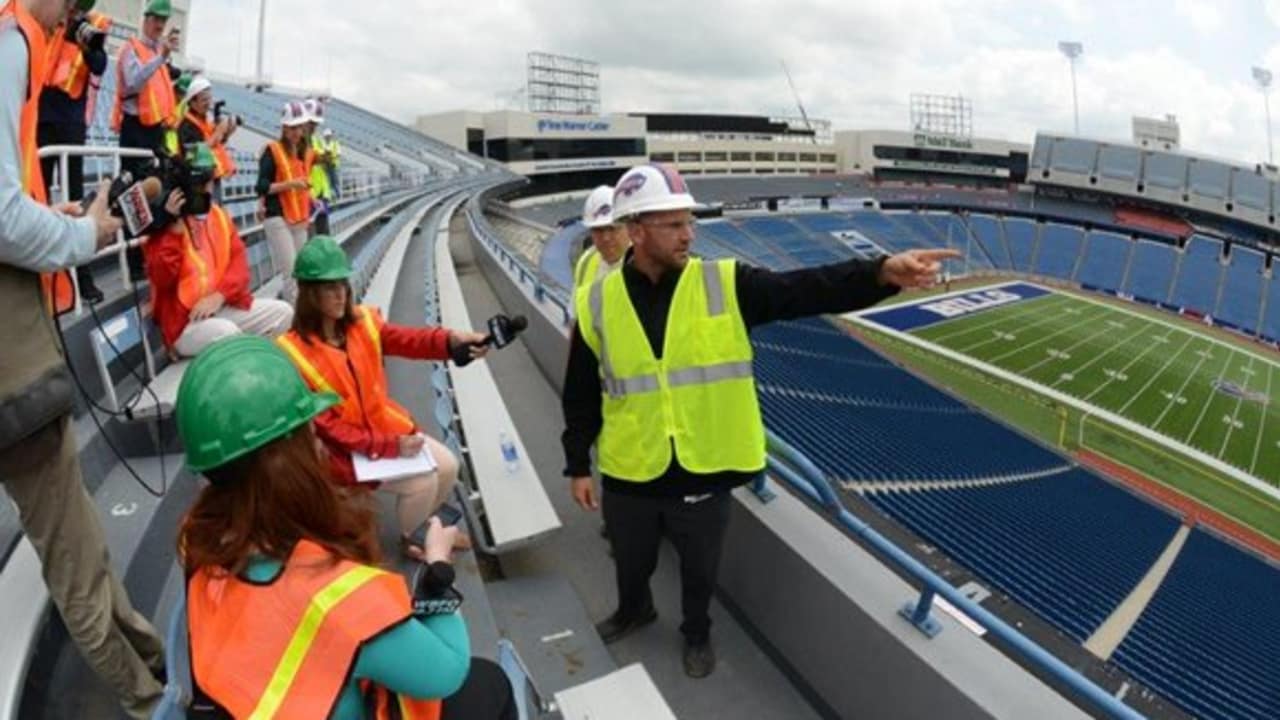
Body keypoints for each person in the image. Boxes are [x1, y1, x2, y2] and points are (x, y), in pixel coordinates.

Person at [561, 163, 958, 678]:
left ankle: (697, 633)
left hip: (705, 466)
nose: (689, 234)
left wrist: (878, 273)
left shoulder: (725, 282)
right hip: (630, 465)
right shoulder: (598, 299)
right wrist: (576, 462)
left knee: (700, 572)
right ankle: (634, 609)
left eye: (689, 222)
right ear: (636, 229)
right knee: (631, 560)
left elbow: (805, 289)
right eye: (674, 224)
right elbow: (580, 390)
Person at [175, 335, 517, 719]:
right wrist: (438, 569)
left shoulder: (196, 539)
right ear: (290, 459)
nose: (320, 443)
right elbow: (447, 673)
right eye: (310, 429)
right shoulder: (339, 598)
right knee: (489, 683)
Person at [0, 1, 165, 718]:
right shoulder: (9, 45)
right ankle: (147, 694)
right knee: (74, 552)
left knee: (78, 543)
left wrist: (54, 218)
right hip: (10, 367)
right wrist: (87, 234)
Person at [277, 236, 487, 558]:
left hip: (379, 434)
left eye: (342, 284)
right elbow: (329, 428)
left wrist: (453, 341)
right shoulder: (294, 353)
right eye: (328, 287)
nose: (340, 294)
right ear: (308, 293)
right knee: (423, 481)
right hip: (341, 455)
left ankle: (422, 528)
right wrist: (391, 448)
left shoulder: (362, 325)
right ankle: (414, 541)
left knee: (447, 465)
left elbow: (410, 341)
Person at [143, 142, 292, 358]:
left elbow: (239, 265)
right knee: (228, 333)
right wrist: (173, 230)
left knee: (283, 313)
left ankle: (267, 372)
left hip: (220, 307)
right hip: (185, 323)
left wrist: (219, 296)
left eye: (208, 181)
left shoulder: (219, 216)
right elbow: (162, 278)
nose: (205, 188)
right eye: (198, 181)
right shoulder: (166, 220)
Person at [37, 0, 109, 304]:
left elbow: (100, 66)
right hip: (42, 118)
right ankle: (38, 272)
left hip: (70, 125)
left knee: (78, 198)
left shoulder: (90, 27)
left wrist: (87, 44)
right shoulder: (49, 21)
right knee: (38, 194)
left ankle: (83, 276)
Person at [111, 0, 178, 174]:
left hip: (155, 128)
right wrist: (160, 58)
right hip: (135, 127)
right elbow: (133, 82)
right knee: (133, 183)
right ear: (146, 20)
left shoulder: (159, 53)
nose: (161, 25)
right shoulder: (131, 49)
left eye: (164, 20)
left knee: (154, 181)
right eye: (157, 19)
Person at [256, 99, 312, 303]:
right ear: (285, 128)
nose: (298, 132)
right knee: (291, 276)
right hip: (277, 217)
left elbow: (304, 187)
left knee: (303, 273)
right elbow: (261, 186)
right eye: (294, 128)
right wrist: (290, 185)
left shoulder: (302, 152)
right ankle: (295, 327)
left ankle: (302, 320)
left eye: (300, 127)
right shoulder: (272, 150)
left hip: (299, 219)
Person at [176, 74, 236, 198]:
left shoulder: (204, 122)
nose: (208, 104)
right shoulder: (186, 125)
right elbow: (192, 154)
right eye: (204, 100)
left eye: (209, 99)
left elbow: (214, 146)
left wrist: (226, 134)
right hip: (199, 182)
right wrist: (217, 133)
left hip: (212, 177)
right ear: (192, 102)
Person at [573, 184, 629, 293]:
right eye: (598, 230)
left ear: (629, 227)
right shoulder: (586, 261)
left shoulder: (648, 268)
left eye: (612, 229)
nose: (606, 238)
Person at [304, 98, 334, 235]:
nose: (314, 127)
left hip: (321, 194)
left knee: (324, 235)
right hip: (308, 197)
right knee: (311, 238)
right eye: (312, 123)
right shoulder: (298, 144)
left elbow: (321, 162)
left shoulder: (315, 140)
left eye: (315, 124)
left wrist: (326, 159)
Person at [323, 127, 341, 199]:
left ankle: (337, 195)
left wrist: (331, 157)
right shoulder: (323, 144)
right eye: (326, 136)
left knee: (335, 181)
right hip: (326, 165)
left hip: (333, 165)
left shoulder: (335, 144)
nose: (327, 137)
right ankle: (330, 196)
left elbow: (338, 154)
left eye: (328, 136)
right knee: (328, 181)